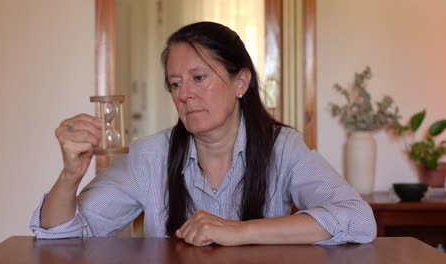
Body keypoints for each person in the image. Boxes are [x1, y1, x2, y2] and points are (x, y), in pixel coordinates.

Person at [30, 21, 376, 246]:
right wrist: (70, 175)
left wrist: (238, 231)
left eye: (199, 78)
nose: (184, 94)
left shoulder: (281, 147)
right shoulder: (150, 155)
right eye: (176, 84)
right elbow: (62, 238)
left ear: (241, 82)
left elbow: (356, 218)